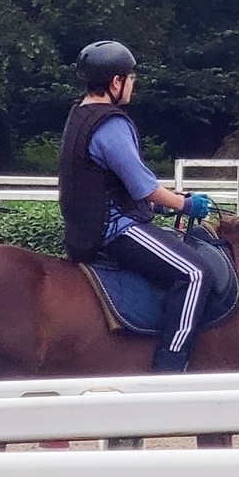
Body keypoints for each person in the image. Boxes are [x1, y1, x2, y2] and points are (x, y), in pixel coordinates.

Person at [57, 40, 216, 373]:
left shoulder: (79, 115)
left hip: (84, 229)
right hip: (113, 231)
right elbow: (145, 187)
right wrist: (185, 204)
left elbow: (107, 185)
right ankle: (170, 366)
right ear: (116, 82)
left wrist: (161, 207)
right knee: (195, 273)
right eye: (130, 78)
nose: (133, 84)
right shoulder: (110, 124)